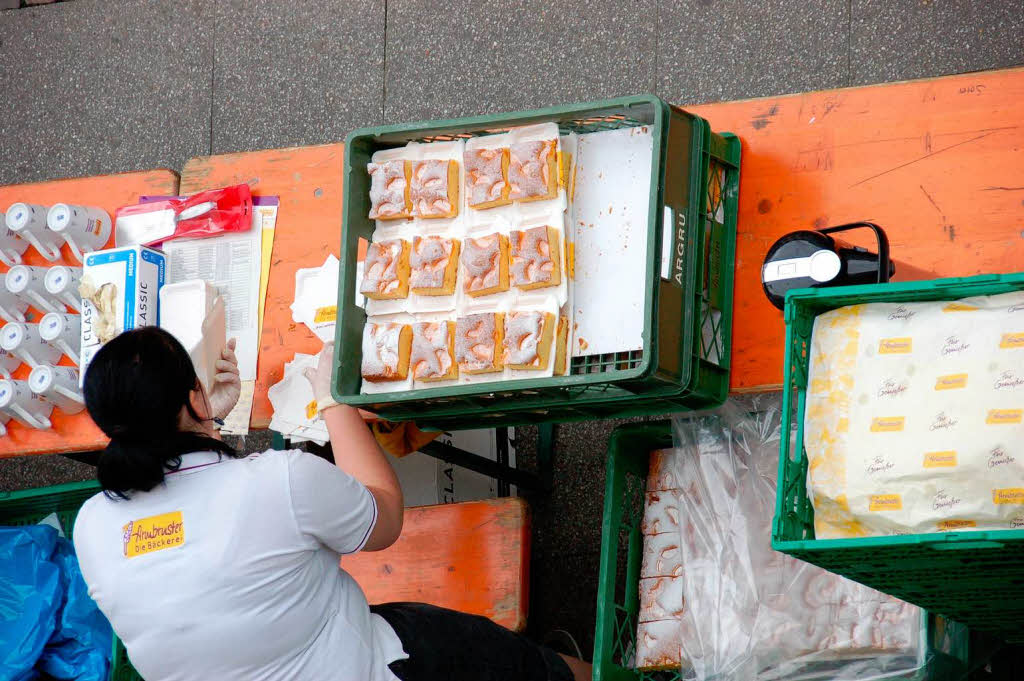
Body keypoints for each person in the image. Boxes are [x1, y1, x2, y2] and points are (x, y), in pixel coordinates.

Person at [72, 326, 590, 681]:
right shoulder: (281, 482)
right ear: (192, 397)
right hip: (370, 665)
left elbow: (200, 531)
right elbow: (384, 518)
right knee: (506, 660)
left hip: (292, 651)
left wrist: (209, 424)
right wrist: (334, 398)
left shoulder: (92, 525)